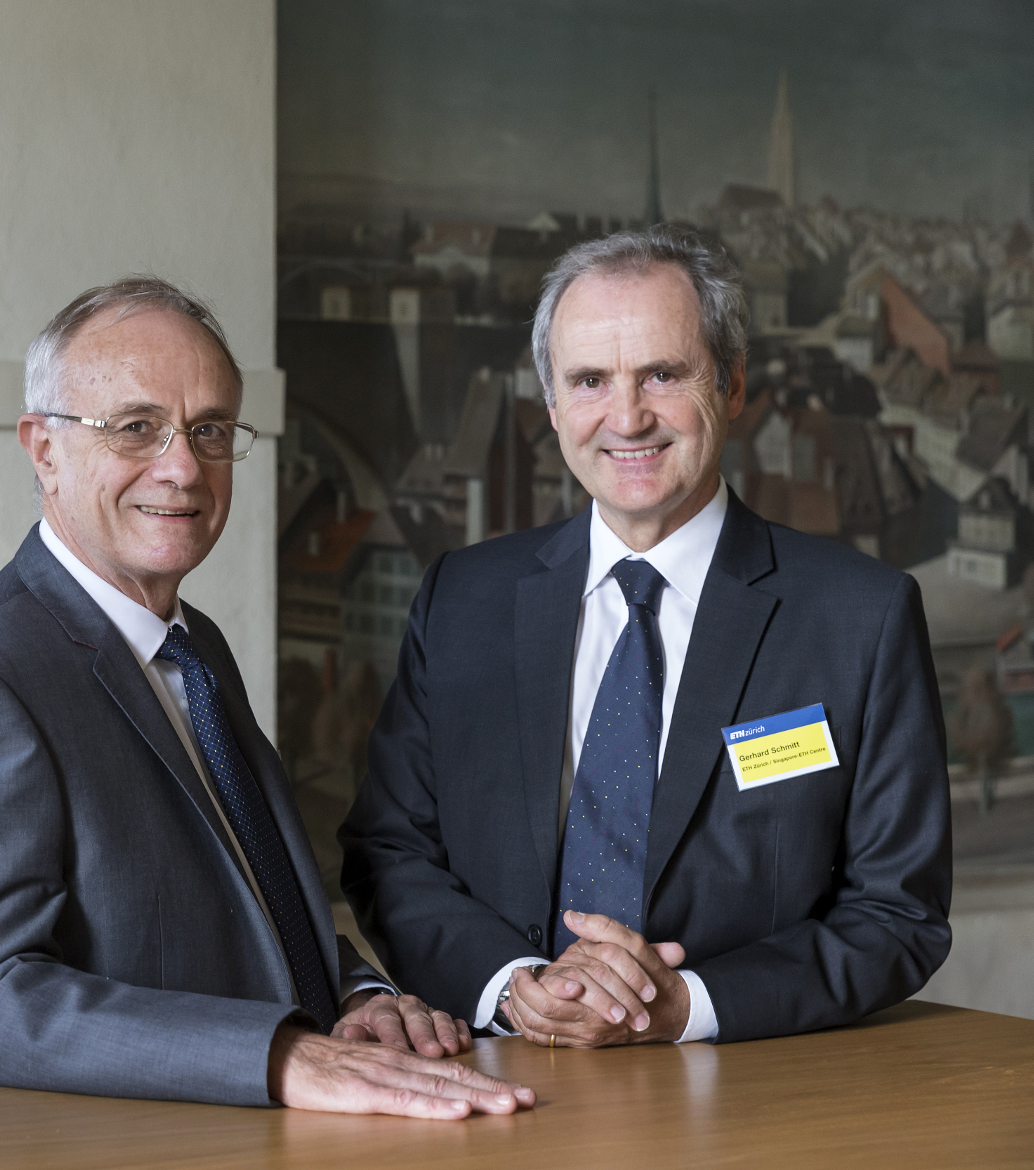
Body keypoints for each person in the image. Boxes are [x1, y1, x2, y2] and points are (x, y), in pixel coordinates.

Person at [0, 276, 534, 1117]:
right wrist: (282, 1059)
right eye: (136, 428)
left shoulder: (194, 648)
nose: (183, 467)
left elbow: (252, 904)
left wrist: (357, 999)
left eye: (210, 430)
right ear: (42, 448)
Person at [340, 227, 952, 1049]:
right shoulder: (463, 599)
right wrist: (511, 987)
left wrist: (684, 1006)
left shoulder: (861, 618)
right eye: (590, 380)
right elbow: (389, 850)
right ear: (552, 403)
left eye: (663, 374)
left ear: (732, 384)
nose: (626, 417)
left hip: (753, 1097)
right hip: (495, 1084)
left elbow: (898, 912)